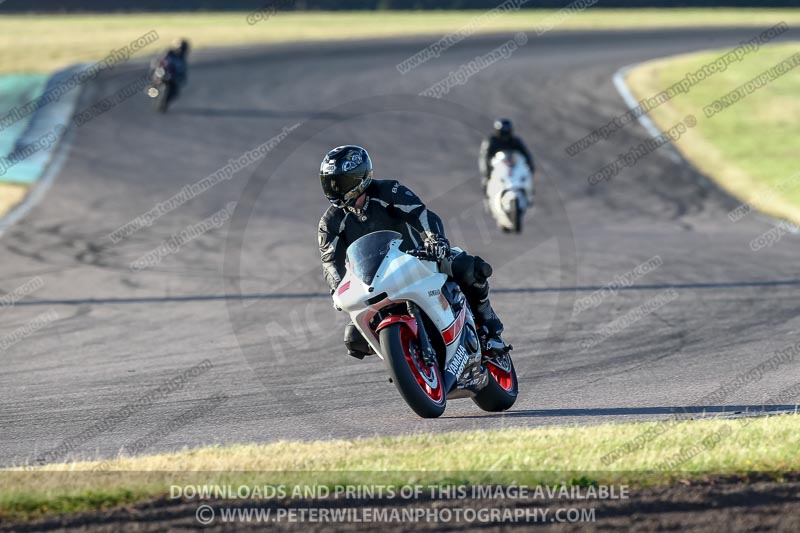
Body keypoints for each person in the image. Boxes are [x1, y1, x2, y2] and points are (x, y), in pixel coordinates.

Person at [318, 145, 507, 360]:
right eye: (330, 183)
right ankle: (406, 358)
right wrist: (336, 289)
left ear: (359, 177)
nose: (334, 189)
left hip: (417, 260)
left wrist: (435, 239)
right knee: (354, 338)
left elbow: (422, 214)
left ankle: (489, 324)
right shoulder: (330, 221)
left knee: (469, 267)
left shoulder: (389, 191)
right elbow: (329, 261)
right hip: (374, 281)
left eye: (340, 182)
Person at [479, 119, 534, 192]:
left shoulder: (515, 141)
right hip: (497, 170)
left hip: (514, 170)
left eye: (506, 132)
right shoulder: (491, 141)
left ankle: (527, 196)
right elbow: (485, 158)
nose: (505, 136)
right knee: (486, 183)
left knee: (526, 180)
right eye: (503, 133)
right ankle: (489, 199)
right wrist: (486, 173)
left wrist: (530, 166)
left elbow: (526, 154)